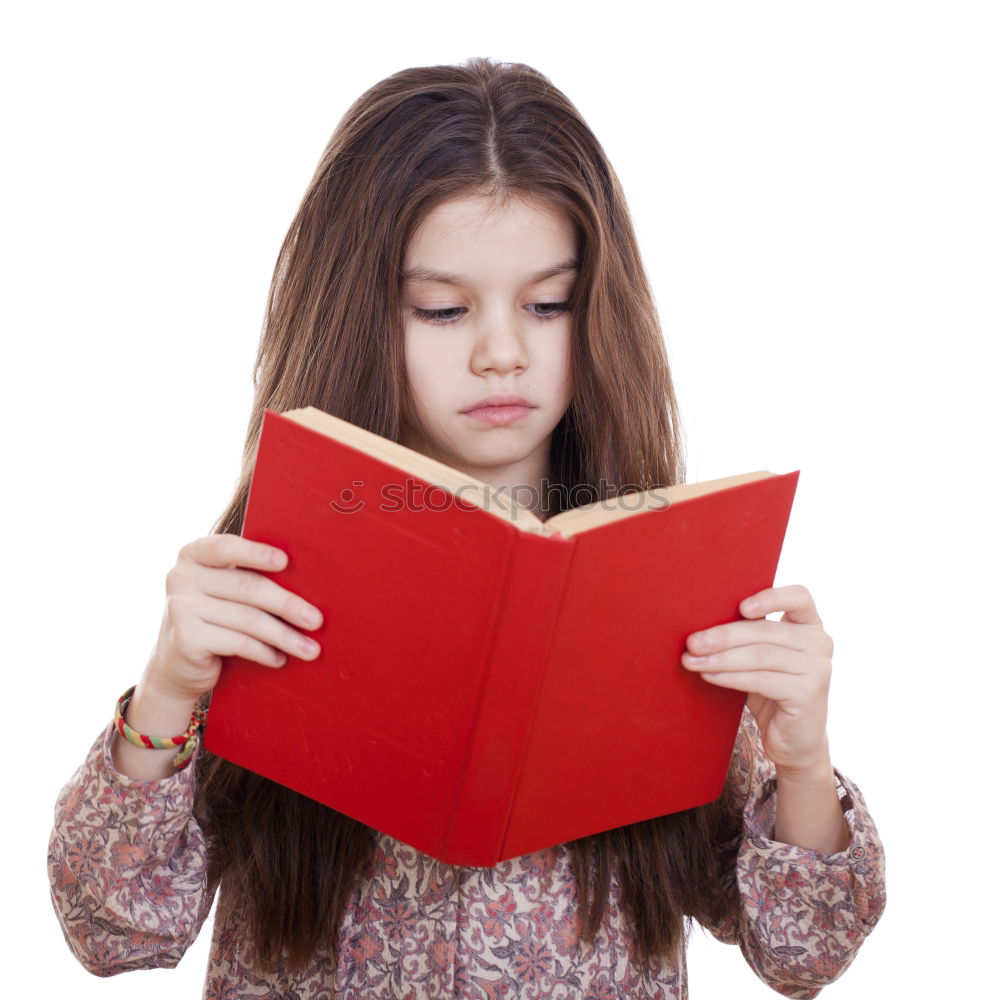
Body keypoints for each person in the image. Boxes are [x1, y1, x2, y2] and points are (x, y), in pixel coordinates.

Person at [47, 56, 886, 998]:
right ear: (363, 313)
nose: (502, 352)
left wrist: (802, 761)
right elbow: (112, 934)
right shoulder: (268, 574)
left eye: (548, 303)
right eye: (443, 309)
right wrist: (165, 696)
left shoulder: (657, 580)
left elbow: (802, 954)